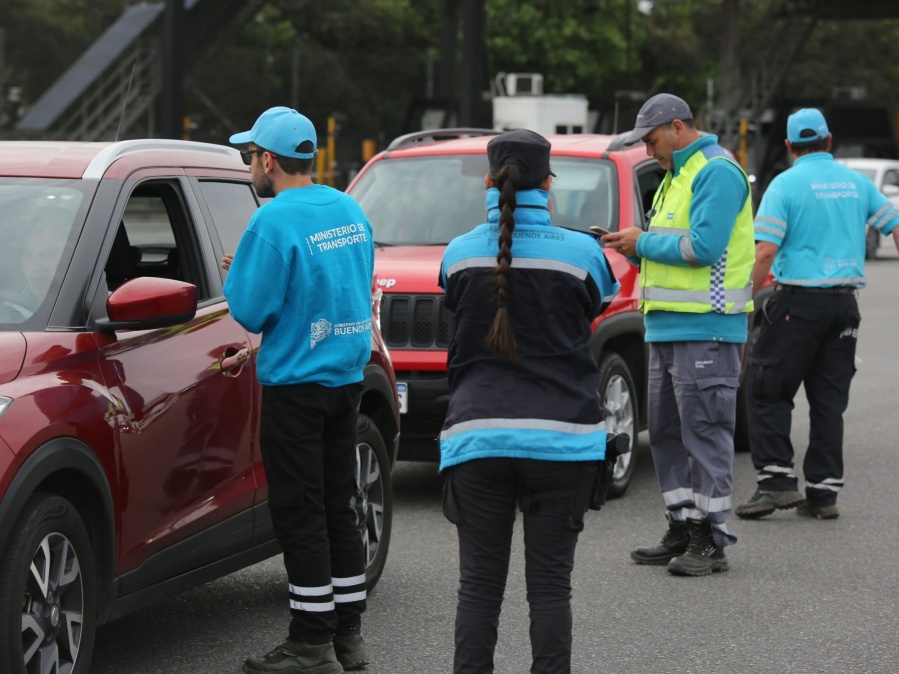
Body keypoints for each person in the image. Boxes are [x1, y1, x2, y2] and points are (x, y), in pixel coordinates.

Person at [438, 128, 620, 673]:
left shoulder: (457, 254)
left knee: (478, 588)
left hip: (476, 436)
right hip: (563, 439)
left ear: (489, 182)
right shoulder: (583, 253)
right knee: (550, 589)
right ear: (548, 183)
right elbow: (598, 303)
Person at [223, 106, 375, 674]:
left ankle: (310, 641)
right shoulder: (349, 209)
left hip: (296, 386)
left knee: (299, 511)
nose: (249, 165)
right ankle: (348, 635)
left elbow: (250, 309)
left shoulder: (272, 221)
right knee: (339, 505)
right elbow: (341, 279)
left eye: (250, 155)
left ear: (268, 160)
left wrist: (239, 272)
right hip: (345, 380)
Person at [602, 93, 755, 576]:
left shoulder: (716, 171)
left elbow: (704, 247)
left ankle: (711, 539)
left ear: (677, 128)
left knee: (704, 433)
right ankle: (683, 526)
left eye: (651, 141)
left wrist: (642, 241)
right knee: (668, 433)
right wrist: (633, 248)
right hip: (668, 326)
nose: (649, 152)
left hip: (708, 327)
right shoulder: (676, 175)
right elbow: (674, 251)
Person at [735, 108, 899, 521]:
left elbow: (765, 251)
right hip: (844, 307)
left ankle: (775, 484)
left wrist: (741, 301)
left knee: (767, 389)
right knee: (828, 401)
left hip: (796, 304)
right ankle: (824, 494)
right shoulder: (857, 183)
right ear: (829, 140)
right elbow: (895, 225)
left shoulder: (784, 185)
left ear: (789, 146)